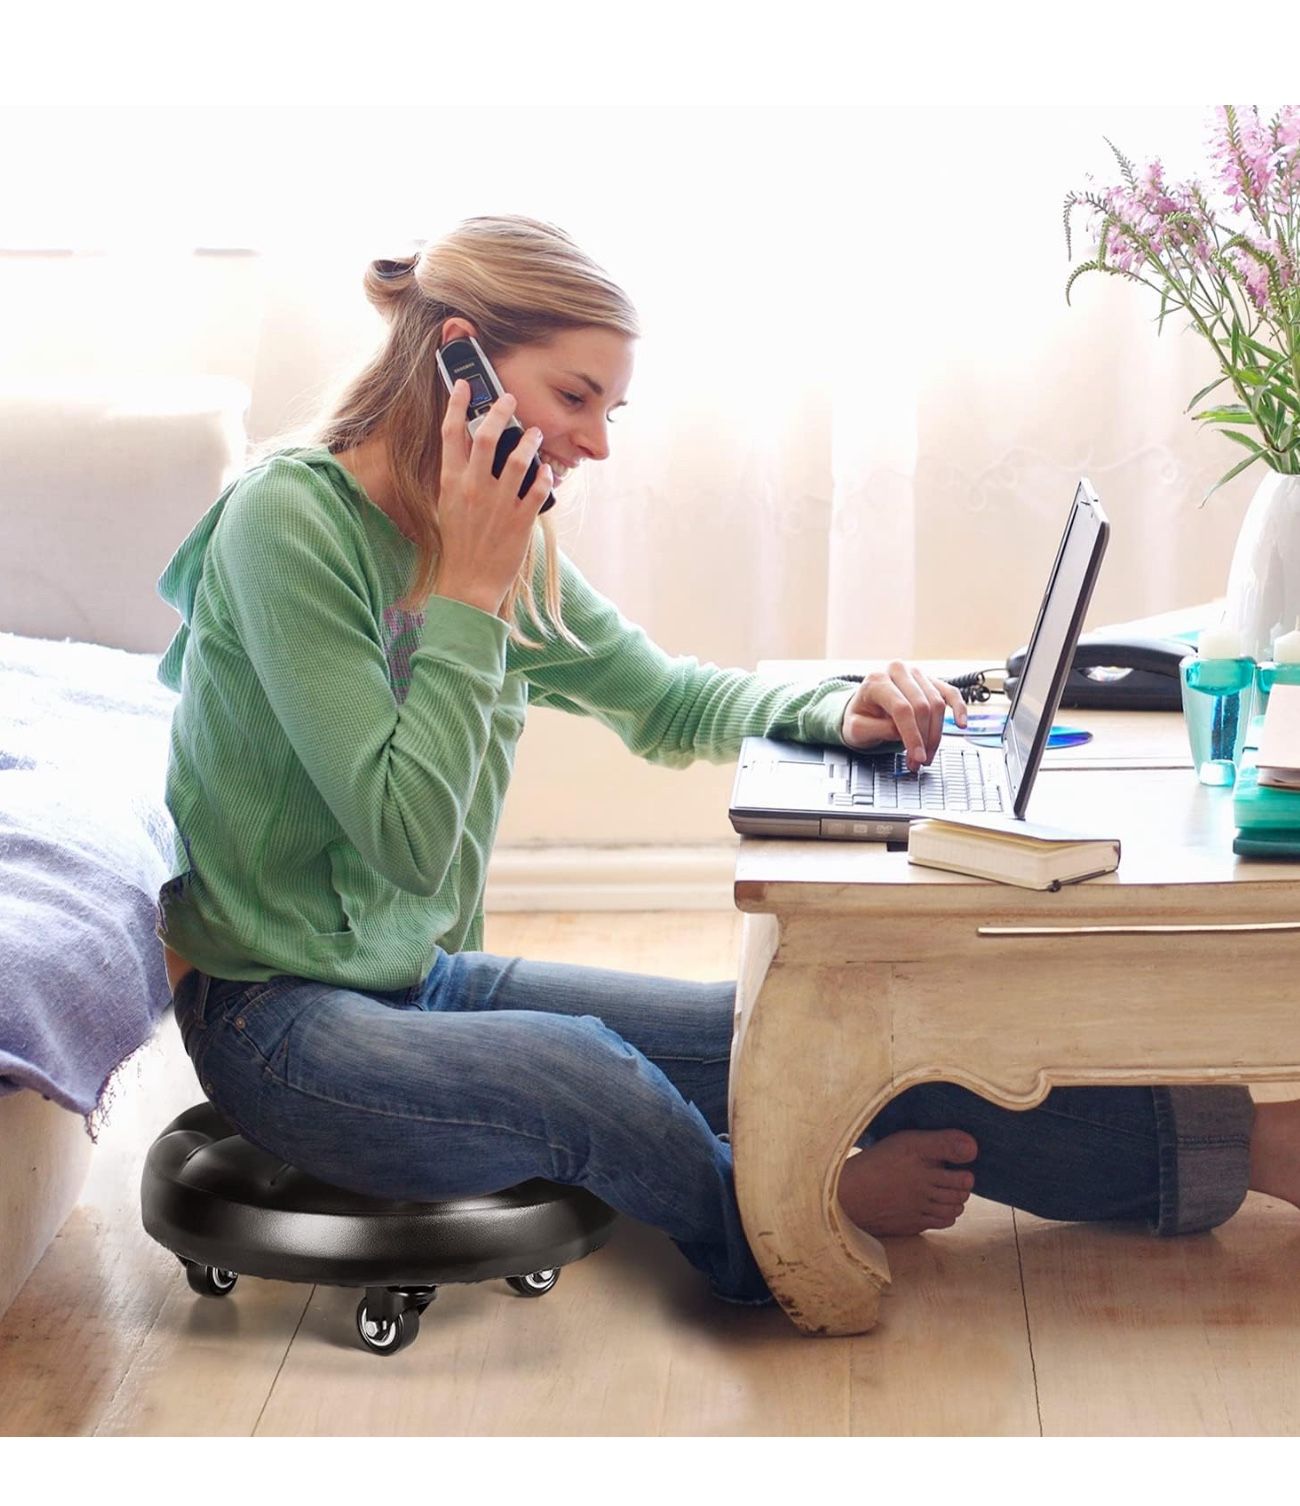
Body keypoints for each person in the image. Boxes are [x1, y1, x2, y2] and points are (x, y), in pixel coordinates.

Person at [156, 214, 1300, 1310]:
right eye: (574, 396)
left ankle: (1244, 1144)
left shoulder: (492, 540)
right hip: (282, 1023)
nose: (598, 440)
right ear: (457, 363)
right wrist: (466, 589)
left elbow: (664, 698)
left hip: (425, 987)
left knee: (847, 1039)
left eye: (611, 407)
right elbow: (404, 847)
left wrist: (833, 703)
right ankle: (788, 1221)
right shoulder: (290, 526)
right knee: (588, 1073)